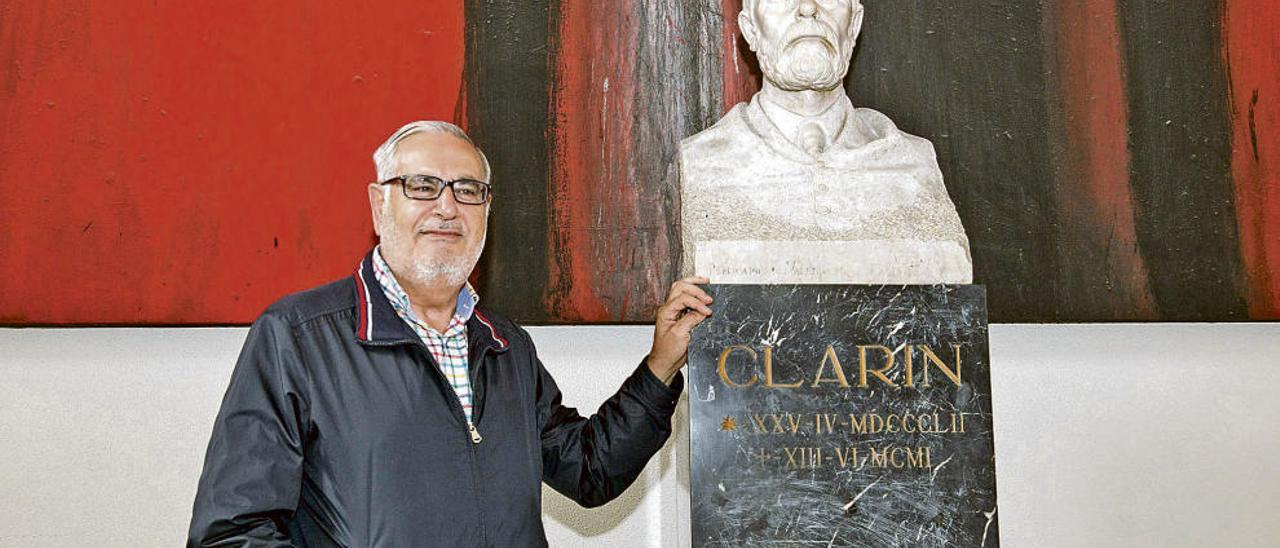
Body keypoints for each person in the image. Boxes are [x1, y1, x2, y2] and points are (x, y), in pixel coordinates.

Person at [187, 121, 713, 547]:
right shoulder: (296, 339)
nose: (446, 207)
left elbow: (589, 471)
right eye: (421, 186)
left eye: (467, 190)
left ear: (486, 212)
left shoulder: (506, 346)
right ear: (378, 204)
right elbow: (232, 533)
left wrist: (662, 363)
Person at [678, 0, 973, 285]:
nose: (808, 8)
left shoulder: (912, 160)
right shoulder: (706, 159)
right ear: (751, 29)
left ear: (854, 25)